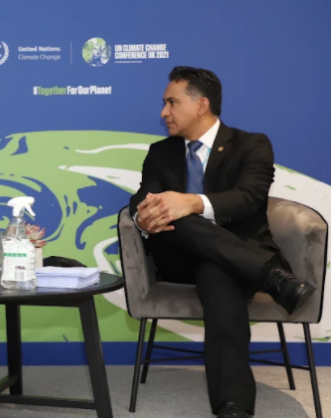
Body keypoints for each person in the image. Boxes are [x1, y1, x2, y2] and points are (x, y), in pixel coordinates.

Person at [130, 66, 315, 418]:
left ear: (201, 105)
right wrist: (143, 217)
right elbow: (143, 196)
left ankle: (234, 406)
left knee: (218, 272)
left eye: (172, 102)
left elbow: (249, 197)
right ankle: (270, 276)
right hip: (180, 258)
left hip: (231, 260)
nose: (164, 112)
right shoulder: (161, 152)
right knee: (174, 214)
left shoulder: (252, 144)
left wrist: (192, 202)